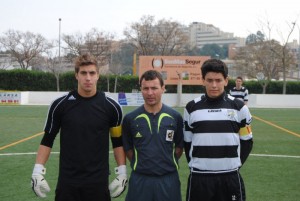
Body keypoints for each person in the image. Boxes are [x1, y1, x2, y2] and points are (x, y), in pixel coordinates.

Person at [31, 53, 127, 201]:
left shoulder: (112, 107)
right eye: (83, 73)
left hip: (98, 183)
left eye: (92, 73)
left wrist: (122, 172)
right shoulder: (60, 105)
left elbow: (117, 142)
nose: (88, 78)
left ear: (98, 76)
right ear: (76, 75)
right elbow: (47, 139)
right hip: (68, 182)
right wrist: (37, 171)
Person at [184, 59, 253, 201]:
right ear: (203, 80)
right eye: (209, 80)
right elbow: (187, 143)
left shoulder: (240, 108)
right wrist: (200, 165)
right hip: (200, 178)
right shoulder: (191, 108)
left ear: (226, 81)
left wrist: (233, 165)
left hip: (230, 178)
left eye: (218, 80)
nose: (214, 85)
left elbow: (247, 142)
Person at [122, 70, 184, 201]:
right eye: (146, 88)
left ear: (163, 89)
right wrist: (144, 165)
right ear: (141, 89)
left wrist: (165, 163)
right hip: (140, 180)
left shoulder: (175, 117)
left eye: (154, 88)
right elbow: (128, 149)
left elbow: (179, 148)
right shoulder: (130, 118)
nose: (150, 93)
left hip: (168, 180)